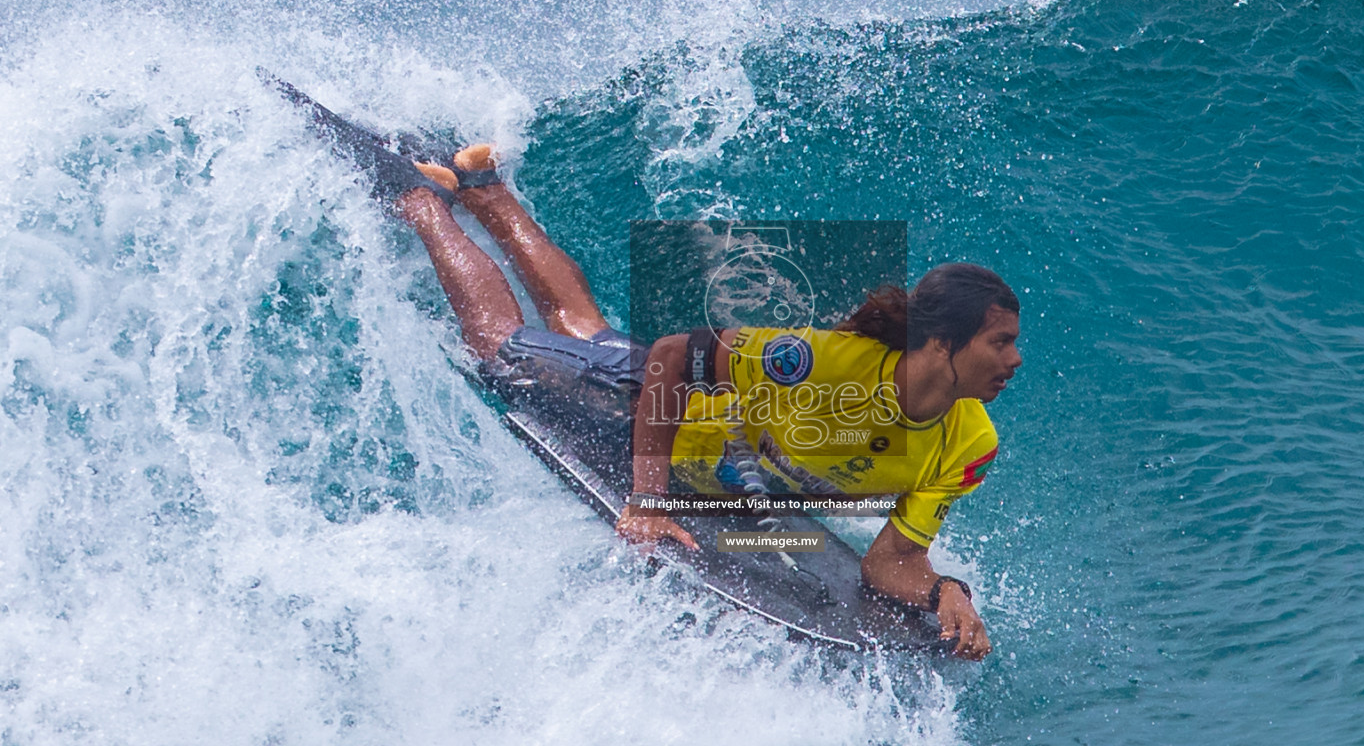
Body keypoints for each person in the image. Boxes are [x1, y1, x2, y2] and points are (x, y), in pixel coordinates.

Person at [393, 147, 1020, 660]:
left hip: (712, 454)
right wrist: (648, 498)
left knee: (583, 327)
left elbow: (890, 564)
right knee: (499, 348)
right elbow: (671, 357)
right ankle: (424, 202)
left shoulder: (970, 445)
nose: (1014, 361)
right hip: (637, 409)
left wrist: (944, 591)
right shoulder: (824, 362)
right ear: (942, 343)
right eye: (1000, 343)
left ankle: (483, 187)